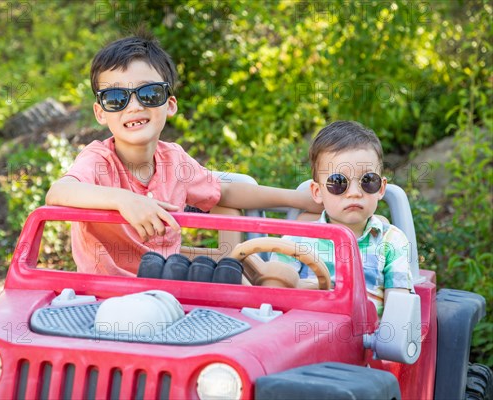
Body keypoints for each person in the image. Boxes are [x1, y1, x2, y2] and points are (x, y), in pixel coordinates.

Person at [45, 32, 321, 276]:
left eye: (149, 94)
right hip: (106, 294)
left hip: (169, 287)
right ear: (101, 113)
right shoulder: (98, 160)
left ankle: (234, 287)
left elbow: (223, 193)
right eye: (116, 98)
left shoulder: (173, 160)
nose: (134, 106)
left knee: (231, 256)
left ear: (170, 104)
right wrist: (122, 200)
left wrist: (297, 198)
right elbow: (59, 192)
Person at [271, 120, 414, 316]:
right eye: (338, 182)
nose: (354, 193)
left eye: (368, 181)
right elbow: (274, 300)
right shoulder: (295, 241)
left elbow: (398, 313)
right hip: (303, 333)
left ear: (381, 188)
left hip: (366, 340)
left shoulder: (391, 242)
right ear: (317, 191)